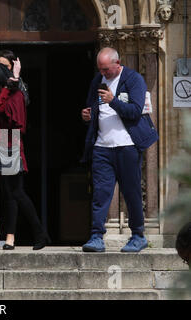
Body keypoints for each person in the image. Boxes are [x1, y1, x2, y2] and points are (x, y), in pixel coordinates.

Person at [81, 47, 159, 253]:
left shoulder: (133, 80)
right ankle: (96, 236)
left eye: (106, 69)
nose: (103, 73)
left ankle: (138, 235)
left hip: (127, 146)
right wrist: (88, 114)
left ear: (118, 63)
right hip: (102, 146)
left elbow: (135, 111)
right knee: (100, 193)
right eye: (100, 69)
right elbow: (93, 106)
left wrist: (113, 101)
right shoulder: (98, 81)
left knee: (131, 192)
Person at [0, 62, 50, 251]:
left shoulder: (14, 95)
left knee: (16, 193)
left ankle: (40, 233)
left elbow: (2, 112)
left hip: (9, 146)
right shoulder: (1, 94)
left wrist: (10, 85)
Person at [0, 50, 30, 249]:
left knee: (12, 192)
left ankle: (11, 236)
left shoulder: (17, 86)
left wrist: (15, 79)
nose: (1, 70)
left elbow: (22, 107)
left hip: (10, 140)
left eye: (5, 66)